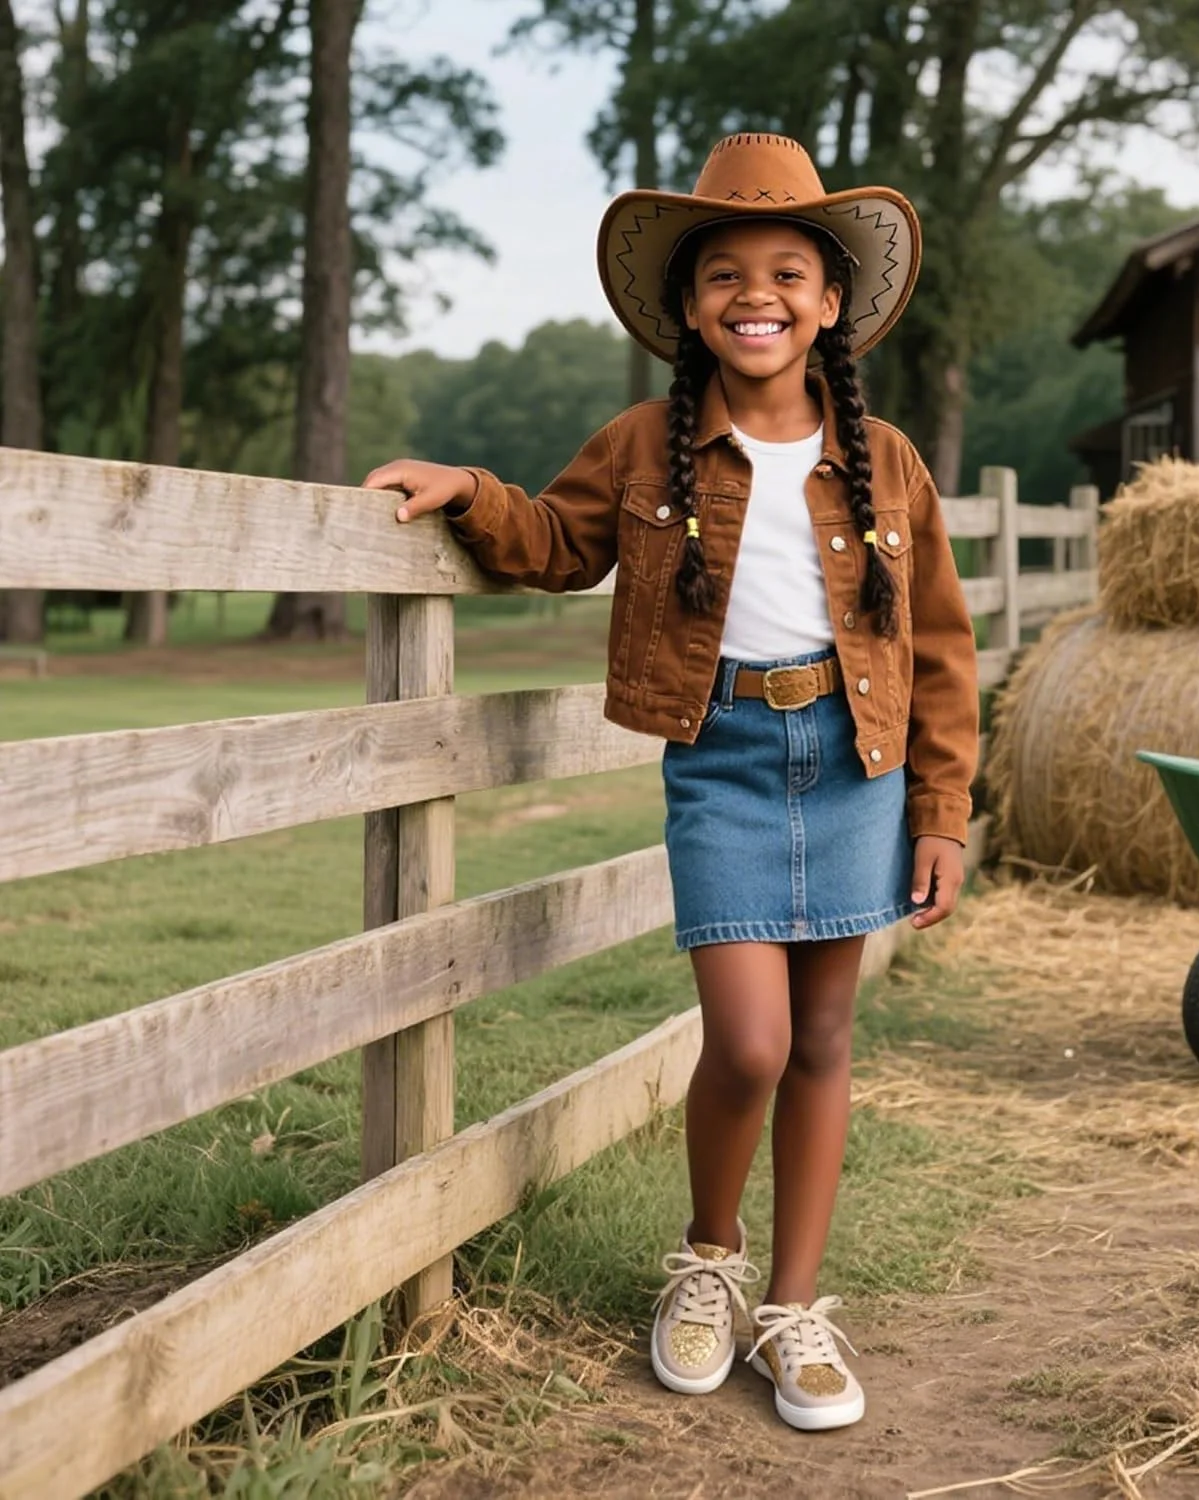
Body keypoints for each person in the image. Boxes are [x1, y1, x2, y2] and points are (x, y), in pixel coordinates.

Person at [365, 132, 979, 1433]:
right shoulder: (647, 442)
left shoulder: (889, 462)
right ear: (693, 308)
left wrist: (942, 814)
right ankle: (708, 1260)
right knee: (749, 1042)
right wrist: (471, 490)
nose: (755, 296)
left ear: (828, 303)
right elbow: (552, 541)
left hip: (858, 763)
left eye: (786, 273)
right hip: (725, 763)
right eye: (725, 277)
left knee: (821, 1041)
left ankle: (794, 1309)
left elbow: (938, 648)